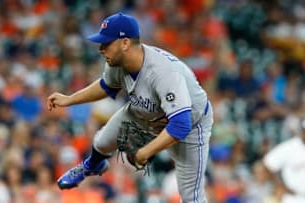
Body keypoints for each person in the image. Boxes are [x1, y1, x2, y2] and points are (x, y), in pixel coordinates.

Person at [47, 12, 213, 203]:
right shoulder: (117, 61)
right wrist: (69, 99)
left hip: (191, 124)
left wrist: (145, 152)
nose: (101, 49)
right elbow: (106, 86)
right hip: (146, 112)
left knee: (191, 198)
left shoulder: (163, 72)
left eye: (106, 43)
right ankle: (92, 165)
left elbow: (181, 125)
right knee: (101, 142)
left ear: (125, 43)